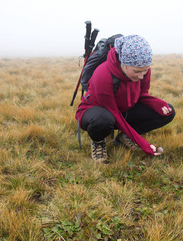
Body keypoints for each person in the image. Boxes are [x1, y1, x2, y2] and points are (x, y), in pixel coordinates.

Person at [75, 35, 176, 163]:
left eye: (144, 71)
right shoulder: (103, 75)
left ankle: (123, 137)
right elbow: (113, 112)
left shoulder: (143, 69)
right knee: (104, 120)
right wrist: (142, 143)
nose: (141, 76)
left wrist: (161, 104)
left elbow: (142, 94)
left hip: (124, 109)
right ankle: (98, 141)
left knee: (169, 112)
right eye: (136, 71)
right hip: (99, 111)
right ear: (124, 63)